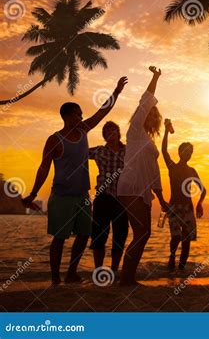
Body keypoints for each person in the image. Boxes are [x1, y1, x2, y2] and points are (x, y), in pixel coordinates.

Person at [22, 77, 128, 285]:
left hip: (82, 196)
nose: (82, 116)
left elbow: (102, 112)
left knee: (83, 235)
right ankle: (55, 278)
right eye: (78, 114)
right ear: (68, 116)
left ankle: (71, 273)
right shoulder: (55, 139)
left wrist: (116, 92)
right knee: (60, 238)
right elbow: (43, 167)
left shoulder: (83, 130)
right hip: (62, 197)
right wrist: (34, 193)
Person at [117, 66, 169, 286]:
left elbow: (154, 173)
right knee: (141, 233)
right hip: (131, 187)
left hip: (143, 190)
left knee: (143, 233)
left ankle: (128, 277)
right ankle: (126, 278)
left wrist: (162, 198)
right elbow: (144, 102)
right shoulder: (135, 132)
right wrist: (155, 77)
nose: (153, 116)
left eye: (154, 115)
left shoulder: (147, 140)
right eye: (151, 113)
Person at [162, 121, 206, 270]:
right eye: (185, 151)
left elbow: (203, 190)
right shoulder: (172, 167)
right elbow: (164, 151)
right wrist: (167, 131)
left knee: (186, 240)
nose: (188, 154)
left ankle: (181, 269)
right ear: (180, 152)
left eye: (190, 152)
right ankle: (172, 258)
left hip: (188, 208)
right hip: (173, 207)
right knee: (176, 237)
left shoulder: (192, 171)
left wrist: (200, 203)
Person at [88, 121, 128, 275]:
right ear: (105, 136)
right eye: (108, 132)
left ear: (118, 133)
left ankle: (114, 270)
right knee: (99, 236)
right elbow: (78, 153)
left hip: (122, 199)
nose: (111, 134)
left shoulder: (128, 151)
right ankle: (98, 271)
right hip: (103, 198)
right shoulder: (99, 151)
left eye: (114, 131)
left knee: (120, 235)